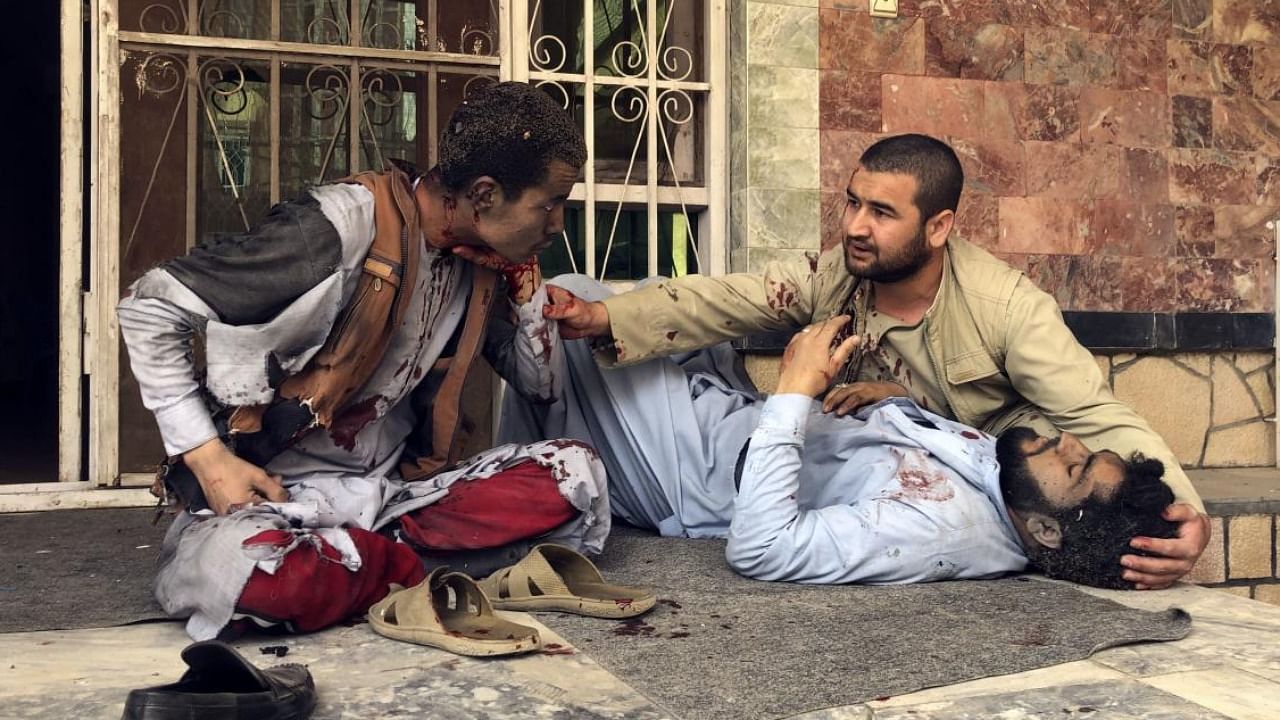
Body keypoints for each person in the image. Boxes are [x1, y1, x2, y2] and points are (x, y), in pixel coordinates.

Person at [540, 133, 1208, 590]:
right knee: (623, 315)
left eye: (882, 212)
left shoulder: (1009, 311)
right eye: (853, 202)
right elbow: (738, 299)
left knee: (572, 349)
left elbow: (1093, 415)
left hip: (853, 479)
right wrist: (607, 320)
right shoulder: (844, 270)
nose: (857, 225)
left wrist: (1184, 512)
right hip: (837, 449)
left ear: (938, 227)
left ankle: (549, 485)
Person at [118, 82, 610, 641]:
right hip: (273, 500)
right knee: (248, 569)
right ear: (484, 194)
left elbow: (537, 387)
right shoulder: (340, 225)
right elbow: (148, 307)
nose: (557, 224)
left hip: (392, 500)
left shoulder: (481, 261)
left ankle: (364, 566)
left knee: (575, 474)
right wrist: (209, 461)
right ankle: (418, 574)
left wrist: (526, 293)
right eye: (550, 203)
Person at [501, 291, 1177, 587]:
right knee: (656, 315)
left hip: (696, 469)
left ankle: (529, 462)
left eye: (1076, 466)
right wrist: (902, 408)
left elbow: (761, 547)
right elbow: (947, 457)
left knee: (574, 311)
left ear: (1049, 533)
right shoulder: (1008, 487)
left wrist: (796, 389)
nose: (1065, 442)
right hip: (740, 417)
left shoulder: (933, 532)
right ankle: (555, 426)